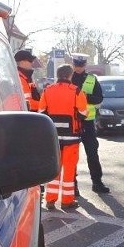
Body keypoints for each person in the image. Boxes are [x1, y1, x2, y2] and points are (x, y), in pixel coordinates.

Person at [38, 64, 88, 208]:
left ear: (58, 75)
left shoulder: (48, 90)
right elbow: (83, 113)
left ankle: (50, 200)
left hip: (53, 136)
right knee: (69, 168)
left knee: (55, 168)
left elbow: (42, 111)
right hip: (71, 137)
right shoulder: (76, 91)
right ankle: (67, 201)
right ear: (70, 76)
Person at [70, 53, 110, 193]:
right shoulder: (68, 78)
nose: (79, 68)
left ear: (85, 65)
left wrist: (85, 97)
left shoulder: (92, 79)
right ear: (73, 65)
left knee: (92, 153)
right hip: (72, 122)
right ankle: (72, 184)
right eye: (76, 65)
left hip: (87, 122)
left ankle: (97, 182)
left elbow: (99, 99)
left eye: (81, 65)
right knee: (71, 155)